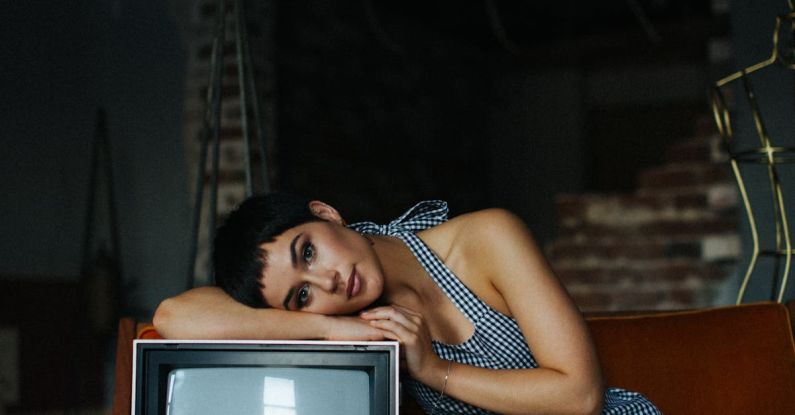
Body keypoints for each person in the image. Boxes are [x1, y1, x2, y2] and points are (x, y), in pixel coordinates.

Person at [154, 193, 660, 414]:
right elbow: (173, 316)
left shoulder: (486, 239)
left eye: (308, 250)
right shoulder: (349, 325)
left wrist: (432, 368)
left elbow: (579, 397)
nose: (328, 281)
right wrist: (332, 332)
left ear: (326, 213)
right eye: (301, 295)